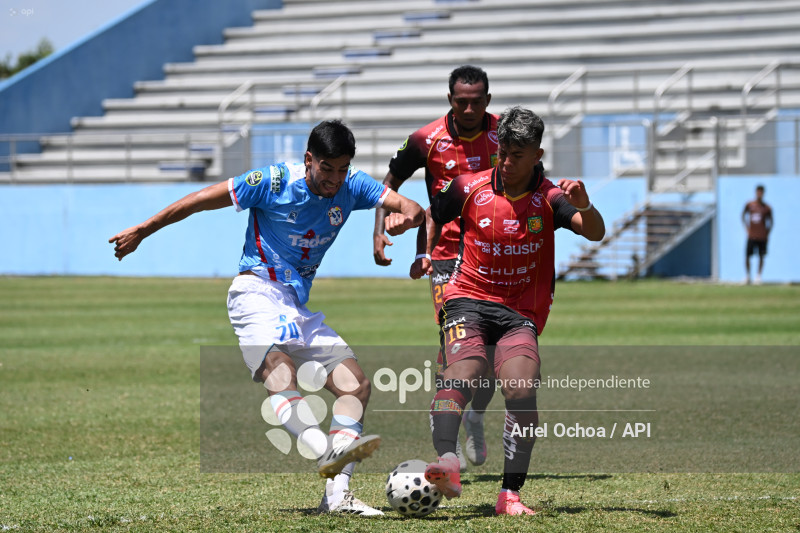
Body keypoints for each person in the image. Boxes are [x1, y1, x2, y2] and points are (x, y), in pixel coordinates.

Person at [110, 120, 425, 516]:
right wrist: (144, 229)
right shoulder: (274, 181)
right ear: (309, 159)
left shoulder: (353, 185)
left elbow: (411, 207)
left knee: (356, 386)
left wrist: (405, 219)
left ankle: (337, 497)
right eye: (326, 168)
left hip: (296, 304)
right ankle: (319, 447)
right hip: (255, 291)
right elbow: (201, 199)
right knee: (280, 370)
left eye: (342, 169)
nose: (334, 179)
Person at [411, 106, 605, 516]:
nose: (508, 162)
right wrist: (424, 253)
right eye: (504, 152)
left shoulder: (549, 198)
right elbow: (433, 213)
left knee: (521, 387)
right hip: (466, 297)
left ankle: (509, 495)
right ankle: (446, 462)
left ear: (537, 154)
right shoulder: (468, 186)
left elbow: (595, 232)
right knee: (464, 372)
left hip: (519, 313)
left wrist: (585, 206)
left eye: (519, 155)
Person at [373, 65, 498, 470]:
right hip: (446, 256)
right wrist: (380, 231)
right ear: (450, 100)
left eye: (476, 102)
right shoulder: (426, 139)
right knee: (455, 348)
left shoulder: (505, 135)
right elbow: (387, 183)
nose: (468, 109)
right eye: (461, 101)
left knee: (492, 357)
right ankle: (446, 429)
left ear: (487, 101)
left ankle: (475, 416)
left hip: (495, 254)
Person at [742, 184, 773, 285]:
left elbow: (771, 221)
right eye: (758, 192)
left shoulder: (766, 208)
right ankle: (747, 276)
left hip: (762, 236)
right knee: (747, 256)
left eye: (761, 192)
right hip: (752, 235)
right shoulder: (750, 205)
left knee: (761, 256)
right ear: (756, 192)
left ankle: (758, 276)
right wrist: (747, 228)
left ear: (763, 193)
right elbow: (743, 215)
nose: (759, 194)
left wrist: (767, 233)